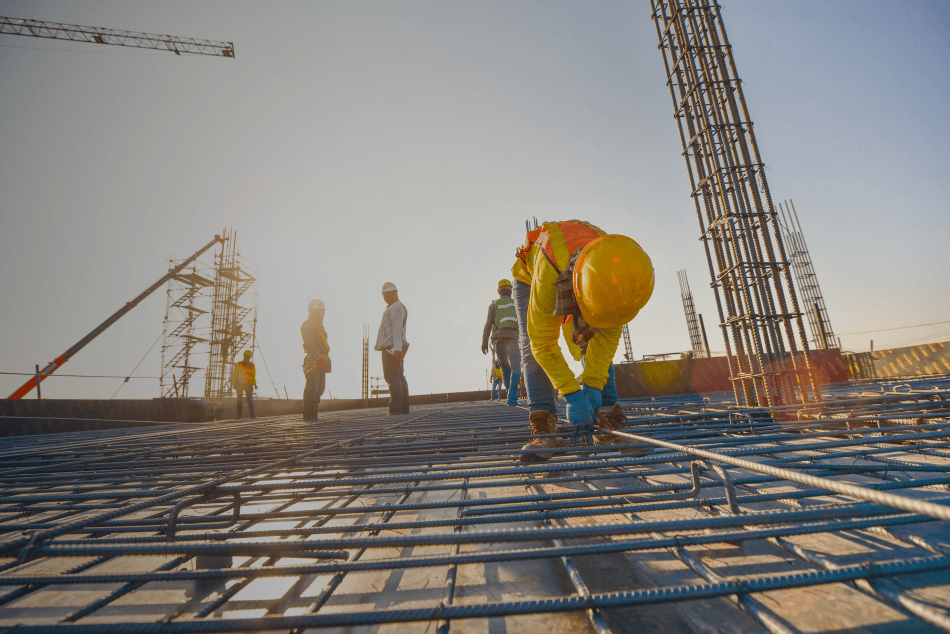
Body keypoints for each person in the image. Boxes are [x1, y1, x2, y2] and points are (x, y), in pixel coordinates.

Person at [511, 220, 654, 462]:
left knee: (596, 333)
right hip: (534, 275)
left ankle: (607, 417)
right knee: (529, 346)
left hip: (584, 270)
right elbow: (542, 344)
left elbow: (606, 338)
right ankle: (545, 428)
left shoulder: (619, 271)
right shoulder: (549, 275)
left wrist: (593, 386)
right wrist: (572, 394)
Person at [481, 279, 522, 406]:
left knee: (505, 369)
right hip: (513, 339)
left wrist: (484, 343)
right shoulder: (516, 303)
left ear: (499, 291)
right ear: (511, 291)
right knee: (516, 368)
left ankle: (510, 394)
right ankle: (513, 396)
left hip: (499, 341)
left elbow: (488, 325)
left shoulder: (493, 305)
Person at [374, 282, 410, 415]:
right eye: (384, 295)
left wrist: (397, 349)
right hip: (394, 347)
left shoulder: (396, 307)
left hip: (392, 349)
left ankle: (396, 410)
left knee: (393, 378)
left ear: (394, 293)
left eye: (388, 294)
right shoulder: (395, 307)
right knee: (398, 377)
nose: (385, 297)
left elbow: (396, 329)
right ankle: (403, 410)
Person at [301, 299, 331, 422]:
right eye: (319, 312)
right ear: (313, 311)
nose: (321, 314)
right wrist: (318, 358)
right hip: (314, 360)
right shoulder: (307, 325)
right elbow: (309, 343)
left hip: (322, 359)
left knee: (320, 389)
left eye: (322, 312)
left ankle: (314, 416)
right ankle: (309, 417)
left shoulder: (320, 327)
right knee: (312, 388)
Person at [232, 350, 257, 419]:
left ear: (250, 357)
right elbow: (235, 375)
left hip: (249, 385)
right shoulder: (239, 364)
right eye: (246, 356)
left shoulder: (252, 365)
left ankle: (253, 415)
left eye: (248, 357)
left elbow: (253, 375)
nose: (247, 358)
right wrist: (234, 384)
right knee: (239, 400)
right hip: (239, 384)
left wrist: (255, 384)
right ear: (244, 356)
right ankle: (240, 416)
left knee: (250, 399)